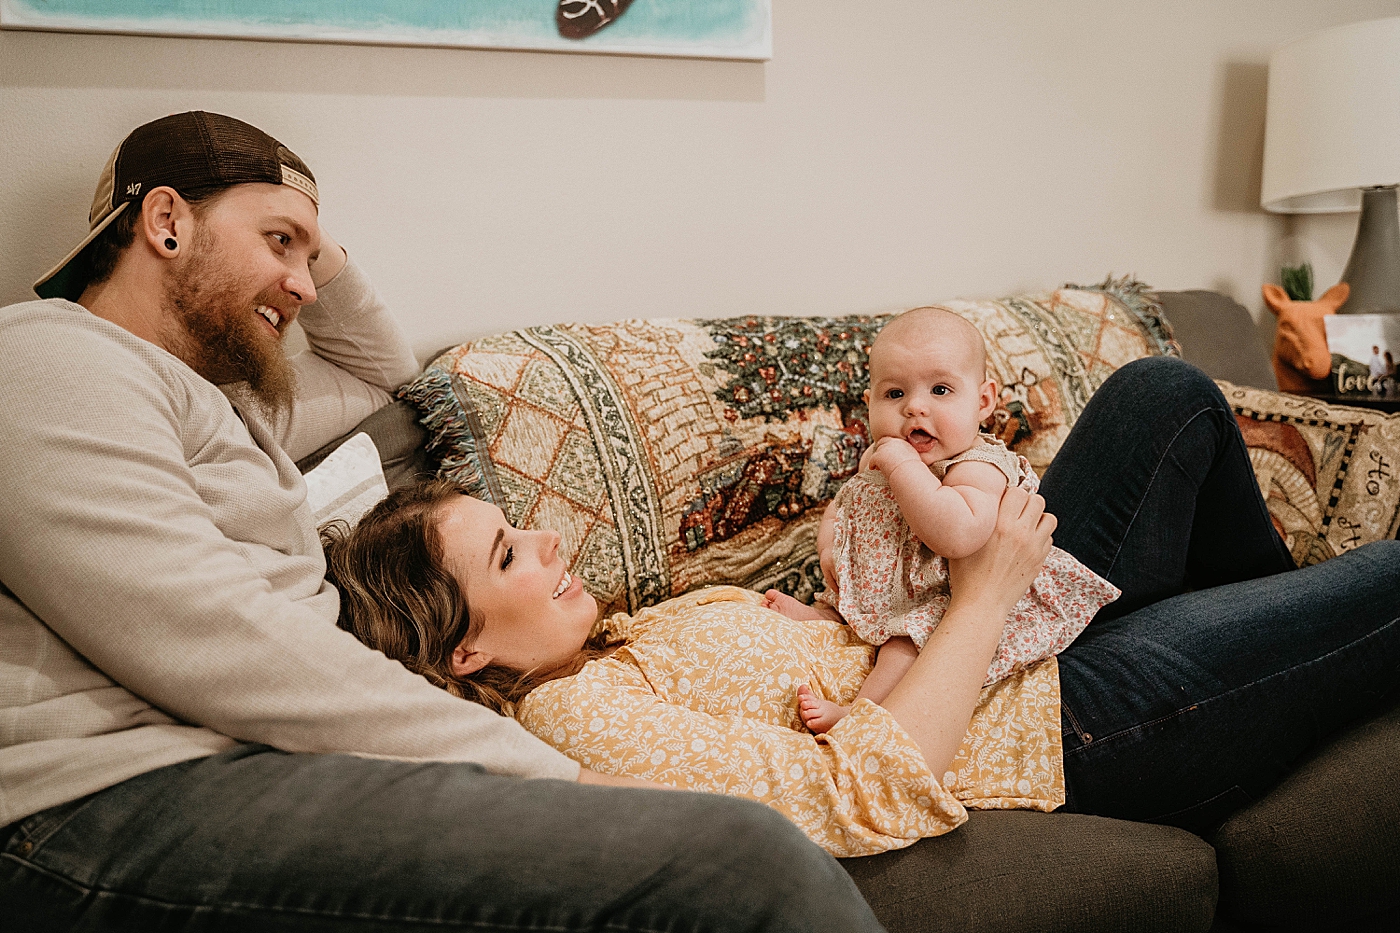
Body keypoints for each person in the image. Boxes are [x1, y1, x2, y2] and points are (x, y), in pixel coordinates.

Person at [0, 111, 887, 932]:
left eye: (312, 259)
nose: (305, 286)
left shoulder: (232, 409)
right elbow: (213, 638)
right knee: (747, 861)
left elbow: (384, 371)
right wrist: (547, 771)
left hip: (254, 773)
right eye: (279, 242)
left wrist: (304, 229)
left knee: (742, 855)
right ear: (165, 222)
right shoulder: (47, 356)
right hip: (101, 806)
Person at [326, 355, 1400, 859]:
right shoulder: (572, 724)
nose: (551, 540)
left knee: (1164, 397)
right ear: (463, 655)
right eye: (512, 552)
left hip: (1001, 632)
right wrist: (983, 594)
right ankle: (1283, 658)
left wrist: (844, 615)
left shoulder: (615, 639)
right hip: (1056, 719)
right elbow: (849, 799)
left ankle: (1279, 626)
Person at [760, 306, 1118, 734]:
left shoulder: (978, 465)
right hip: (892, 588)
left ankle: (860, 715)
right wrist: (829, 549)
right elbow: (844, 505)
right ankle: (830, 616)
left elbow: (958, 534)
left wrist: (900, 467)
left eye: (941, 390)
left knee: (904, 647)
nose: (915, 407)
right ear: (868, 403)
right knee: (846, 601)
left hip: (945, 600)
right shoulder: (883, 456)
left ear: (983, 402)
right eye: (894, 394)